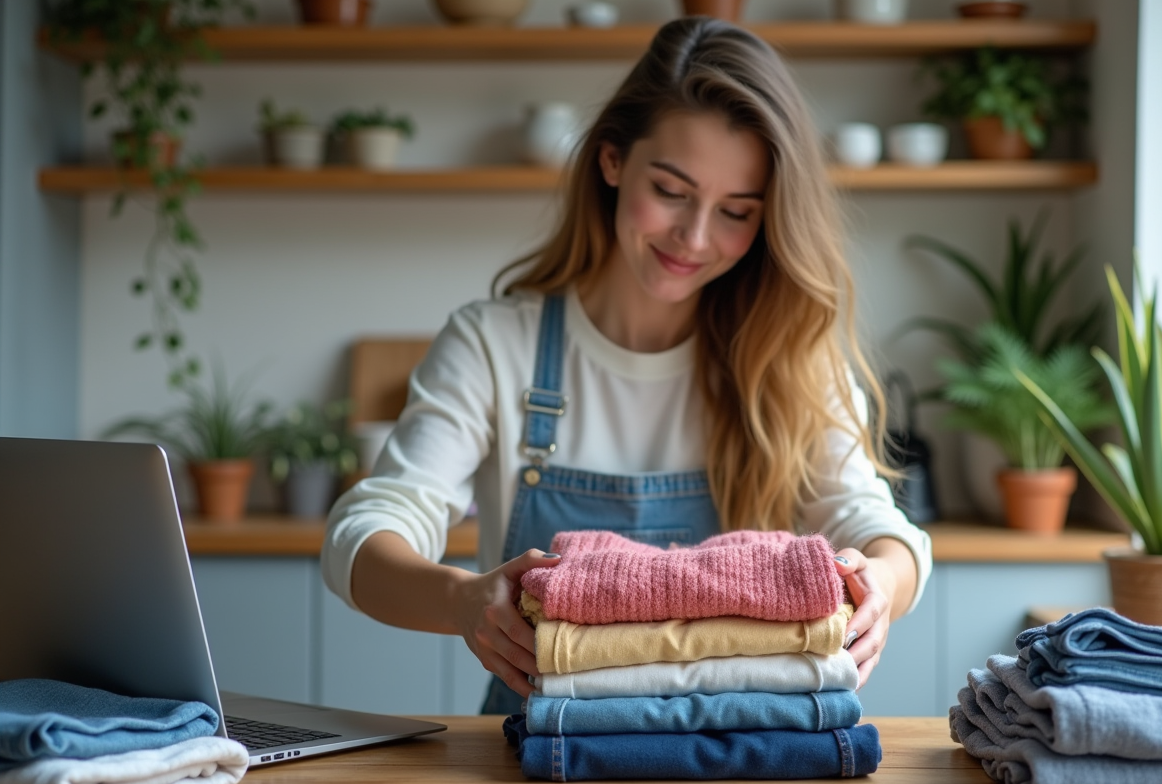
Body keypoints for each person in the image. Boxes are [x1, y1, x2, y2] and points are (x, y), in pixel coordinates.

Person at [322, 16, 933, 717]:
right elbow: (362, 539)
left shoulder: (790, 356)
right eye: (671, 192)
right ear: (612, 160)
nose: (695, 237)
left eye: (736, 211)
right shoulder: (495, 347)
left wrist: (881, 579)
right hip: (535, 752)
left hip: (736, 747)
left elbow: (878, 528)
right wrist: (465, 600)